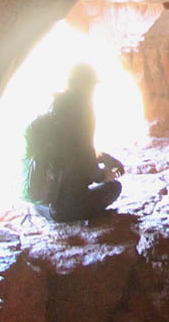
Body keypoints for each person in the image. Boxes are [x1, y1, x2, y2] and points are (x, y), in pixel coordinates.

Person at [24, 63, 123, 220]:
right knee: (114, 188)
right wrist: (105, 175)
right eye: (90, 86)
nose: (92, 91)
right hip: (66, 209)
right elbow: (88, 164)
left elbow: (71, 149)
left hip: (41, 205)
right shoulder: (83, 111)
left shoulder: (55, 107)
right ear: (83, 85)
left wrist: (104, 157)